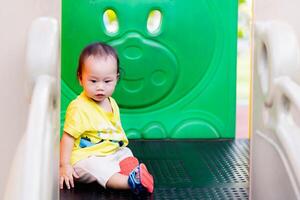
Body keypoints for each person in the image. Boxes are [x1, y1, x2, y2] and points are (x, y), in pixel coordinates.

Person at [59, 42, 154, 194]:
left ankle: (131, 170)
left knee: (125, 152)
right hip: (85, 158)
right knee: (99, 168)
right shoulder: (79, 107)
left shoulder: (112, 103)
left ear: (116, 78)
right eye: (93, 81)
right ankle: (130, 182)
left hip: (108, 151)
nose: (100, 87)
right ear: (80, 78)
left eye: (107, 81)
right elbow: (67, 138)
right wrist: (64, 165)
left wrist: (118, 151)